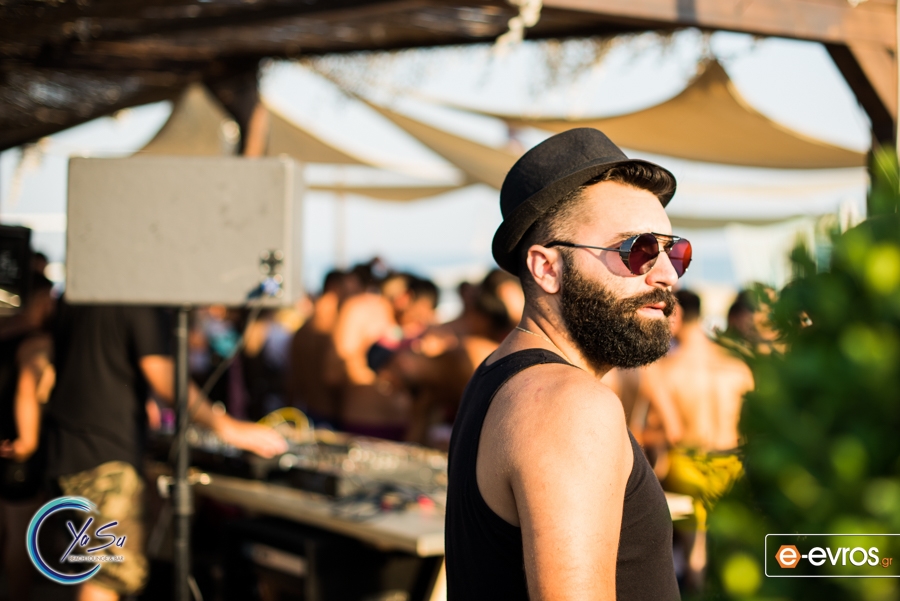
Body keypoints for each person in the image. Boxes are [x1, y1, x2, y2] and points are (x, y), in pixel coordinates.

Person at [446, 128, 687, 600]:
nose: (666, 275)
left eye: (674, 251)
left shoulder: (501, 374)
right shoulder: (570, 404)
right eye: (637, 250)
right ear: (547, 268)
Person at [44, 300, 288, 601]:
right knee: (109, 576)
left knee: (97, 567)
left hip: (69, 446)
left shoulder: (83, 293)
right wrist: (227, 427)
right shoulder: (140, 303)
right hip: (103, 455)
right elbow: (162, 374)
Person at [641, 289, 753, 592]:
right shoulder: (737, 366)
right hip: (732, 461)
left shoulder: (664, 370)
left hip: (688, 463)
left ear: (675, 317)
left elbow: (669, 431)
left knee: (694, 554)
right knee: (734, 547)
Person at [0, 273, 55, 601]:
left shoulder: (4, 333)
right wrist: (28, 440)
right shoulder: (36, 341)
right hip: (16, 451)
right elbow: (27, 387)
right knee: (21, 535)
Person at [287, 270, 359, 428]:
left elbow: (292, 380)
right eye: (353, 292)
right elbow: (333, 377)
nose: (356, 299)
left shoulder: (303, 329)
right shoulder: (335, 326)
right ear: (335, 289)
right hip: (334, 417)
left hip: (310, 412)